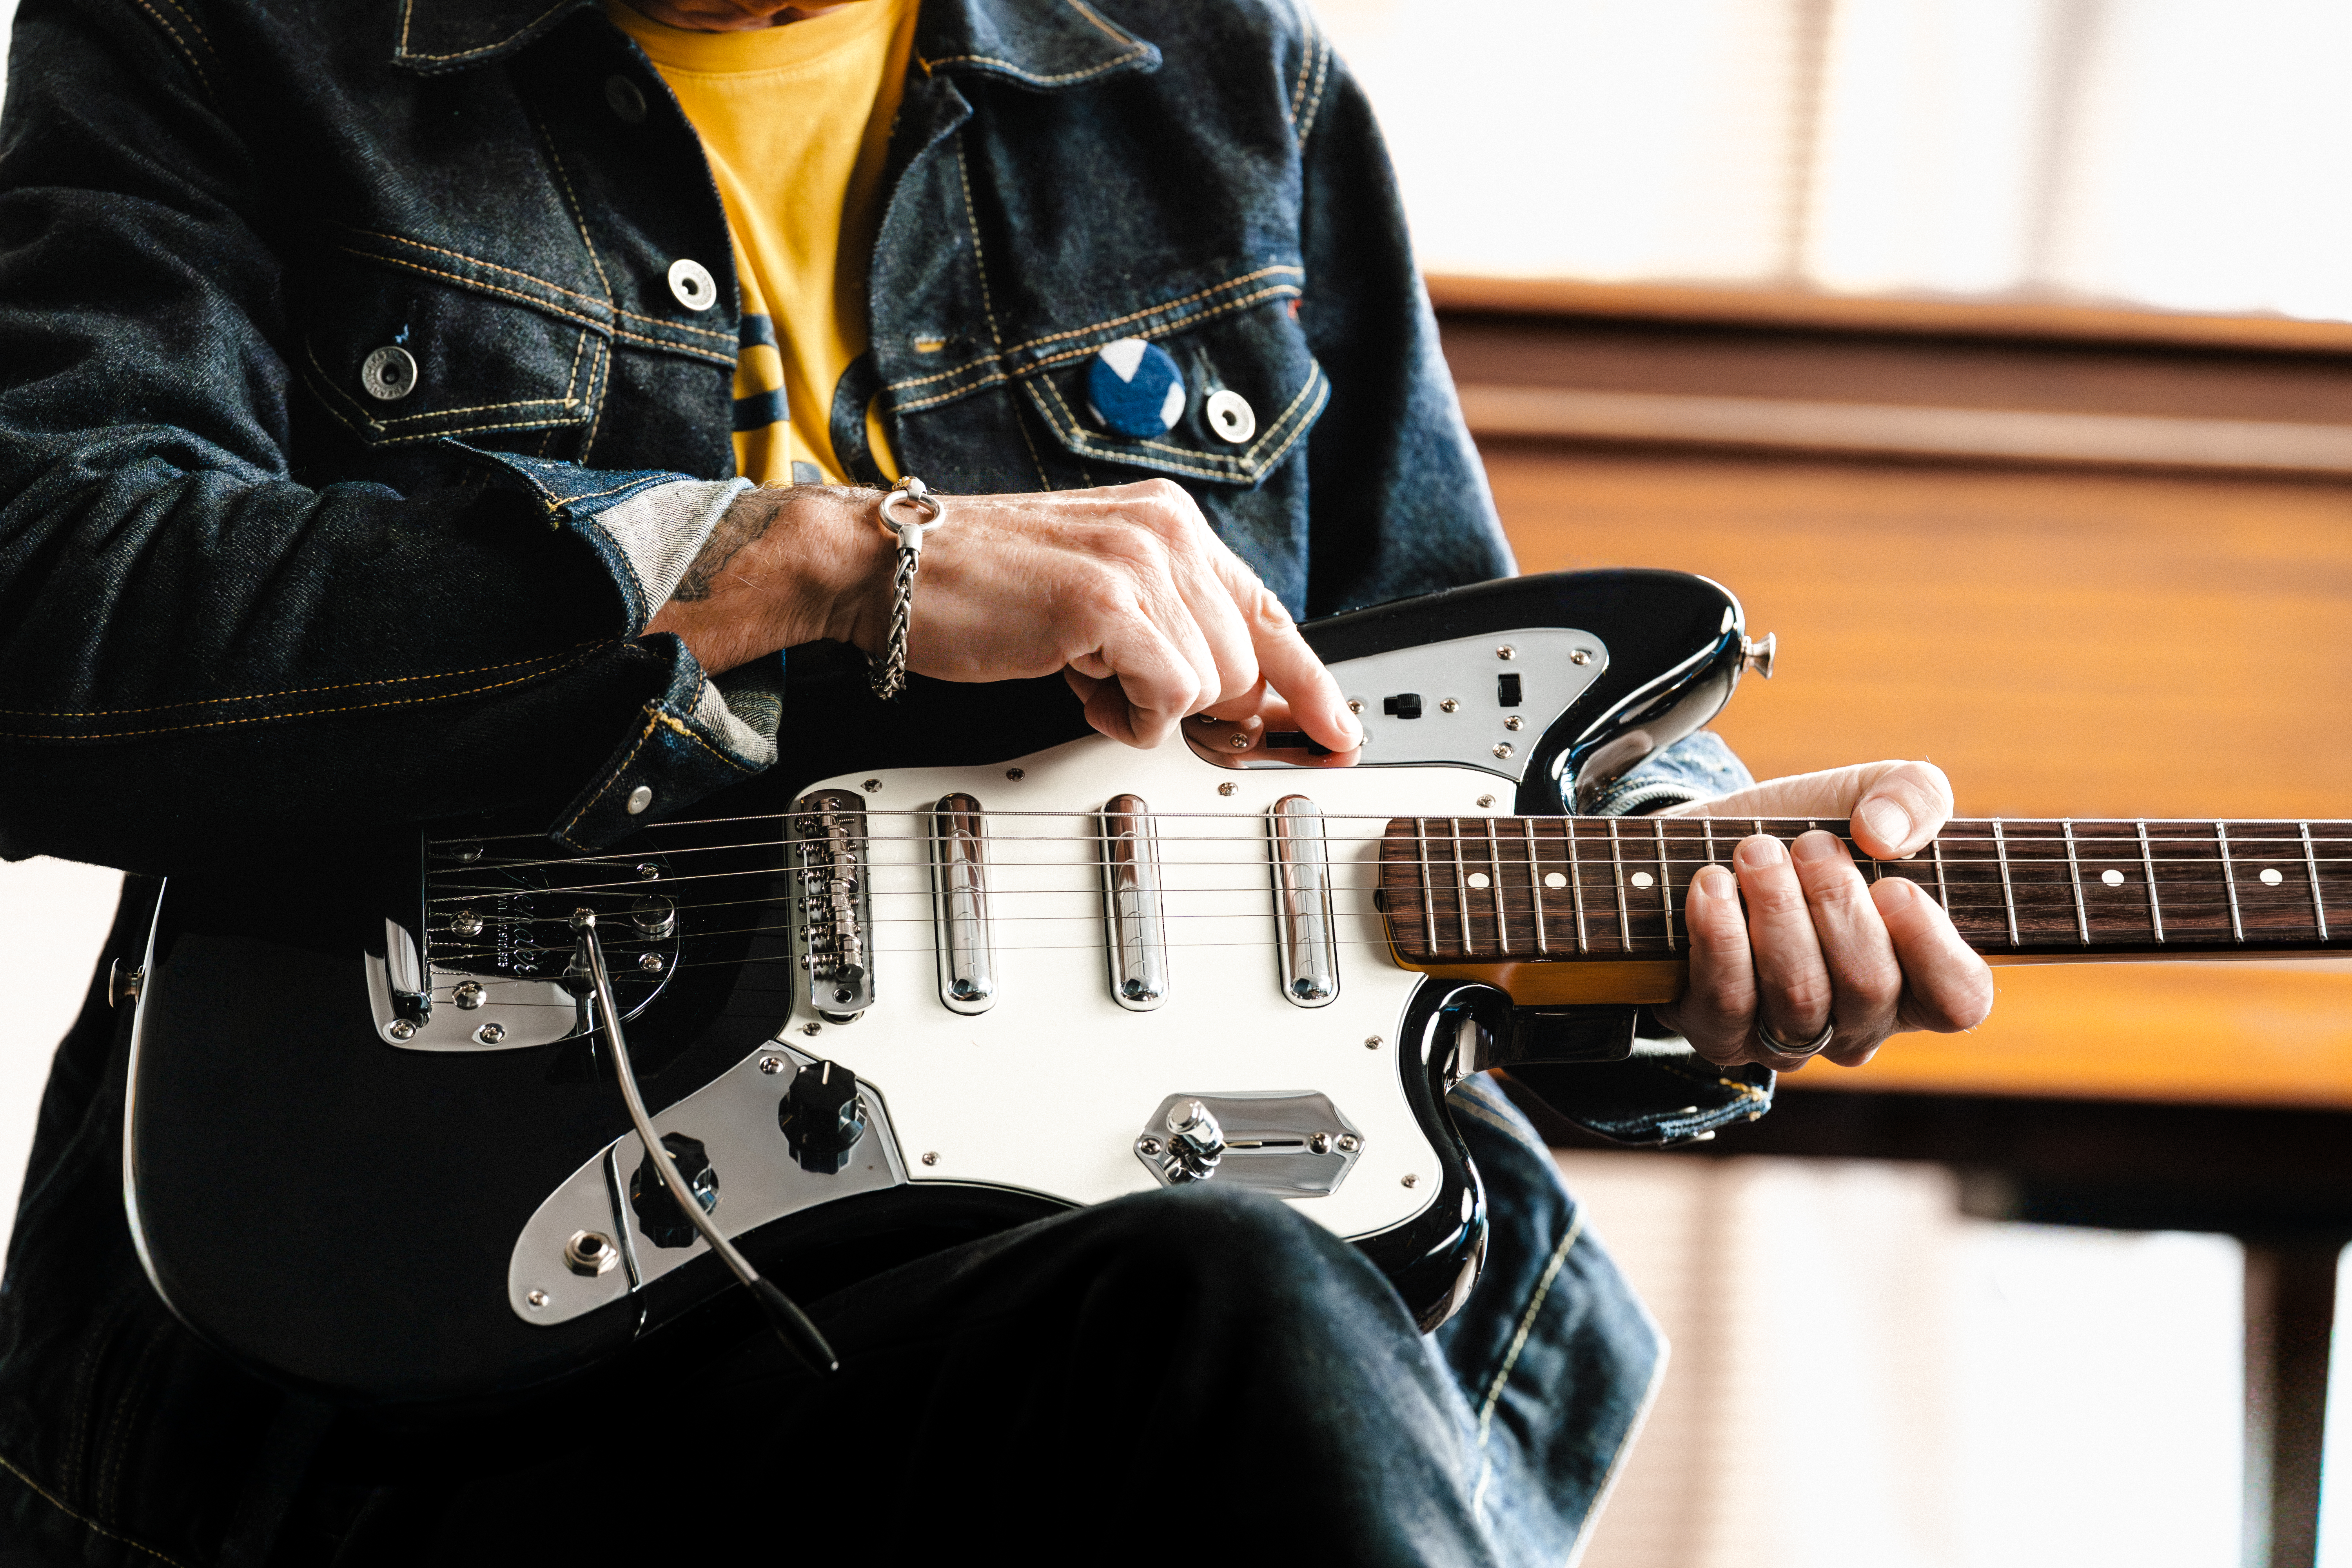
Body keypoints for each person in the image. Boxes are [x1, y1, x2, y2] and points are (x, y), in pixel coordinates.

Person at [0, 0, 1993, 1559]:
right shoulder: (219, 33)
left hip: (1080, 1328)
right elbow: (48, 605)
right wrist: (797, 559)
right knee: (1247, 1314)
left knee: (1247, 1308)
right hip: (408, 1347)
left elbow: (1432, 719)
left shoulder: (1224, 85)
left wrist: (1674, 883)